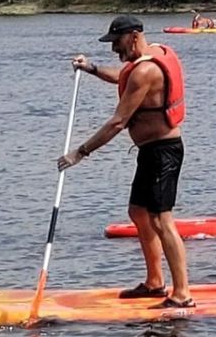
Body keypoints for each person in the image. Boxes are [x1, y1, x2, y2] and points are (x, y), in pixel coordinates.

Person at [60, 15, 193, 308]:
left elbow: (118, 122)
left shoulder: (146, 70)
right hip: (150, 151)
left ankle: (183, 294)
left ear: (133, 36)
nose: (114, 49)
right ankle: (155, 282)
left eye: (117, 42)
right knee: (138, 212)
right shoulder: (147, 59)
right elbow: (123, 77)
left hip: (164, 152)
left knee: (161, 218)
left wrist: (80, 152)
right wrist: (91, 68)